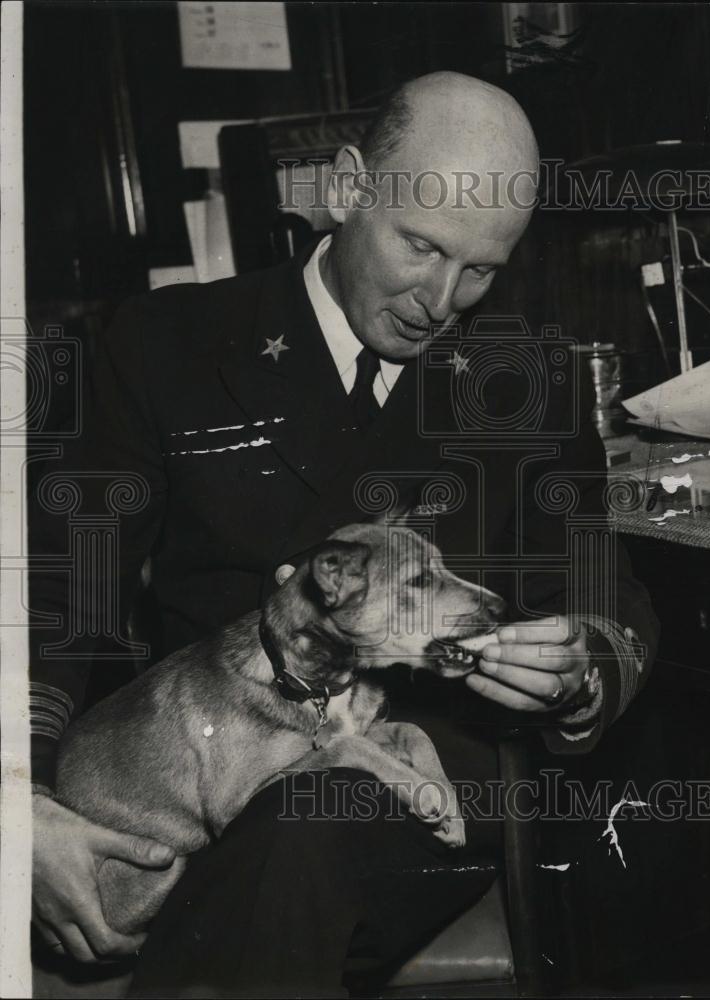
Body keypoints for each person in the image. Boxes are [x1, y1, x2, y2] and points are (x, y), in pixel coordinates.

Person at [30, 71, 658, 995]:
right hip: (208, 756)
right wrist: (18, 799)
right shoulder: (165, 343)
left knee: (306, 815)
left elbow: (603, 594)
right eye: (420, 246)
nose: (441, 300)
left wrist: (580, 666)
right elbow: (54, 594)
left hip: (425, 782)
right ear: (345, 189)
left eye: (480, 269)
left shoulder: (528, 380)